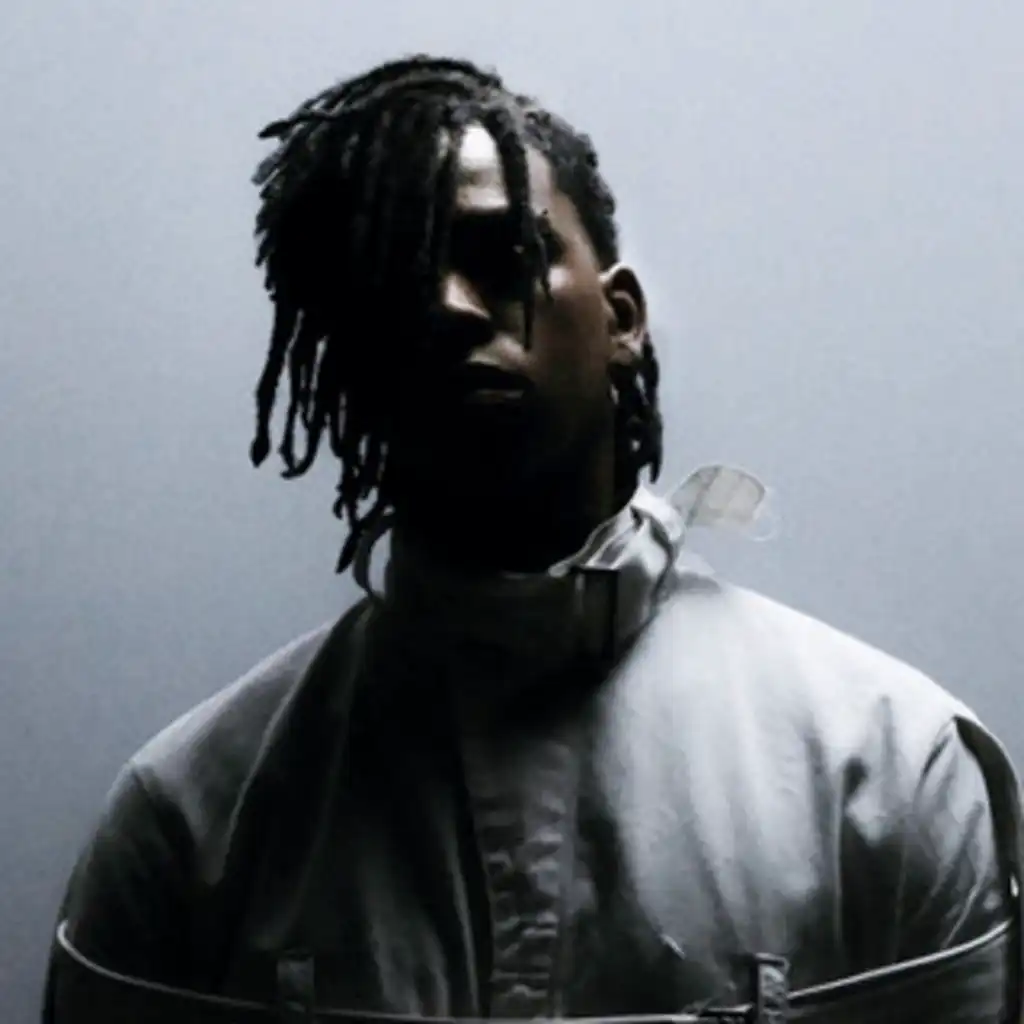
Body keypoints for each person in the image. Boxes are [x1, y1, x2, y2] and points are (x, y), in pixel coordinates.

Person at [44, 54, 1022, 1023]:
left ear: (622, 318)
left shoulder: (892, 769)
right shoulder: (186, 821)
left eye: (504, 256)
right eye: (392, 277)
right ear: (343, 358)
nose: (445, 305)